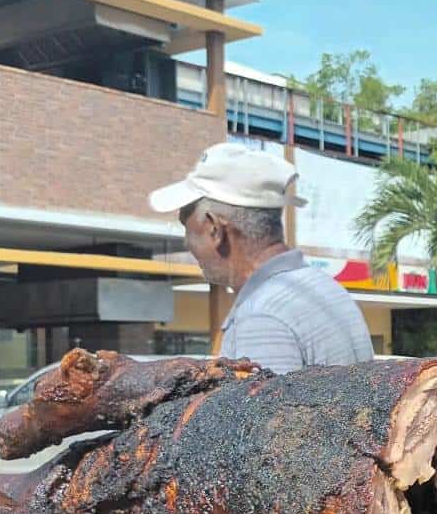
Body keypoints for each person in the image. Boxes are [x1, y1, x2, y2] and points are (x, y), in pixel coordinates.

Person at [149, 143, 373, 374]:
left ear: (215, 229)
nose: (187, 243)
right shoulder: (324, 286)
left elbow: (263, 410)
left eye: (188, 229)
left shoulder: (261, 316)